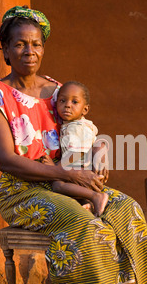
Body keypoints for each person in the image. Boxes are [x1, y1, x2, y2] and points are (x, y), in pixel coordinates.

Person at [0, 5, 147, 284]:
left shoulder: (58, 90)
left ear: (44, 48)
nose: (29, 51)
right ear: (4, 48)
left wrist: (98, 159)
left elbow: (82, 135)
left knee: (125, 207)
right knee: (79, 220)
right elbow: (7, 161)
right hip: (23, 191)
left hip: (70, 178)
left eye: (36, 44)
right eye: (19, 44)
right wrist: (66, 172)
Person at [41, 80, 109, 217]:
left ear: (85, 109)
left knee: (57, 185)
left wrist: (54, 169)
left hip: (83, 173)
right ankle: (87, 203)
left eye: (74, 102)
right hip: (79, 171)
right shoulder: (71, 125)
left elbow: (77, 153)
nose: (67, 105)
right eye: (62, 101)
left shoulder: (77, 128)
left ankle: (96, 197)